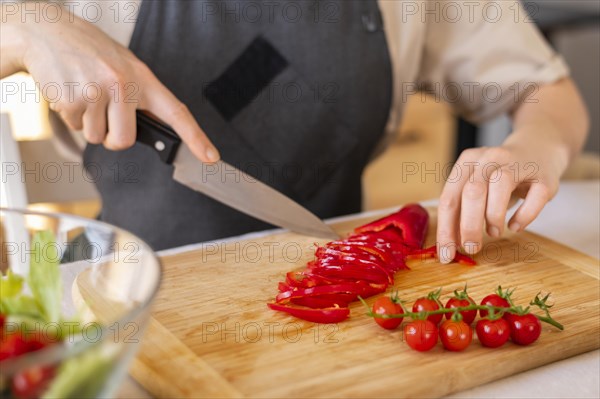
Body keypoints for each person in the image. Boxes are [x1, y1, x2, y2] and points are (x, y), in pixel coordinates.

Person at [1, 0, 588, 257]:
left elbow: (547, 92)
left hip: (340, 286)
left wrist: (532, 148)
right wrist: (26, 25)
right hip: (129, 294)